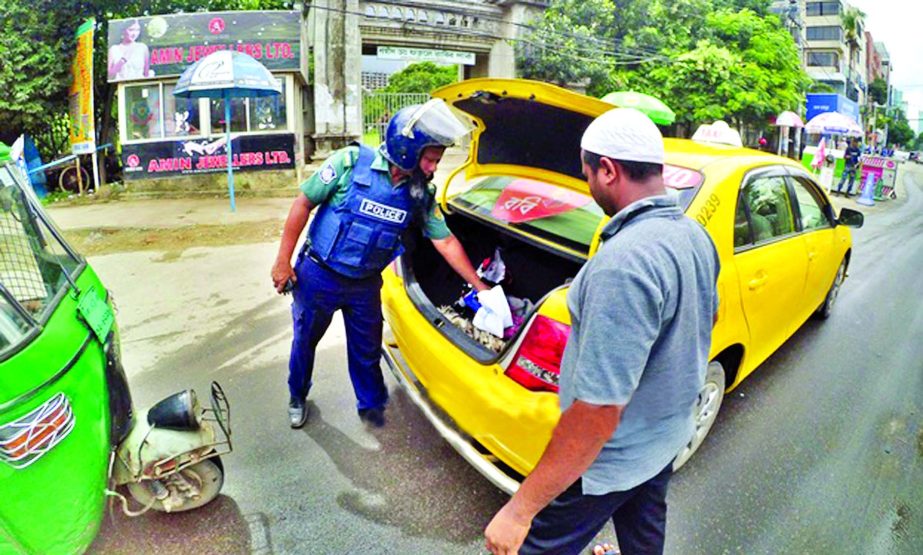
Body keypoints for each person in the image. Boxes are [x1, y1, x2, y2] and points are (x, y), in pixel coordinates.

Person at [484, 108, 720, 555]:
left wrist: (519, 509)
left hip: (607, 460)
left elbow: (597, 412)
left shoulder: (623, 265)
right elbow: (705, 321)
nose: (588, 185)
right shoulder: (694, 236)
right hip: (663, 438)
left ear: (608, 171)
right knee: (644, 537)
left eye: (588, 173)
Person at [271, 100, 489, 429]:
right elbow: (303, 203)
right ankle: (297, 394)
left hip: (364, 284)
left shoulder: (420, 194)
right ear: (407, 151)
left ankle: (372, 408)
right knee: (305, 343)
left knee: (367, 349)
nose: (432, 169)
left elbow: (444, 240)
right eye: (429, 160)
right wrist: (282, 262)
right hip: (318, 276)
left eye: (437, 161)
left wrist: (479, 285)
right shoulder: (350, 162)